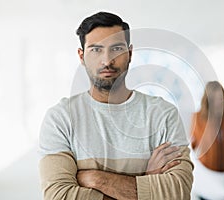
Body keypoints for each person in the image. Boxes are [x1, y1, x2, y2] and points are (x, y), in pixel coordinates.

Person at [38, 12, 193, 200]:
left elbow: (179, 192)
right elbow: (59, 196)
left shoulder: (163, 115)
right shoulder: (61, 118)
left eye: (116, 49)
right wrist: (146, 181)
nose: (107, 61)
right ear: (81, 56)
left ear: (130, 53)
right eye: (96, 50)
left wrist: (96, 179)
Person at [191, 81, 224, 200]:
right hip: (207, 176)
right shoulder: (198, 118)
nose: (218, 102)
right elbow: (193, 145)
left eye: (220, 98)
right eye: (214, 99)